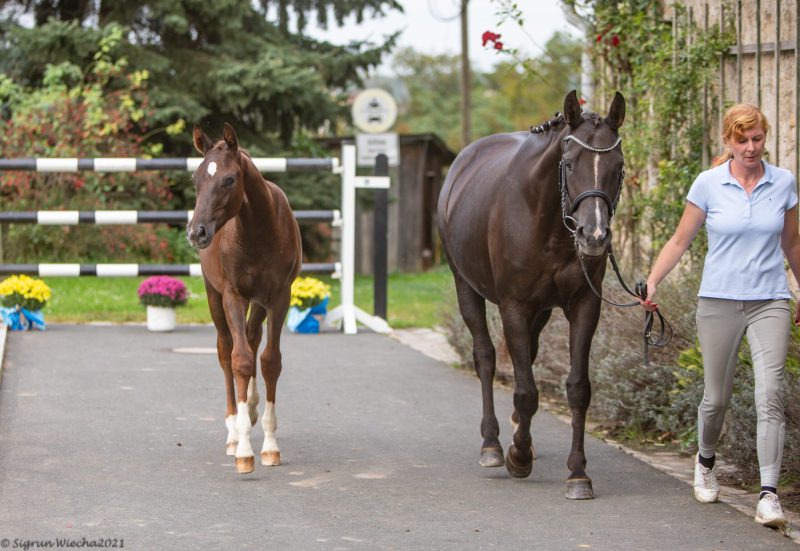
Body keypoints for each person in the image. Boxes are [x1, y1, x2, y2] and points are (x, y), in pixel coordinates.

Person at [641, 103, 800, 530]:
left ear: (765, 138)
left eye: (757, 139)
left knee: (771, 395)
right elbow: (679, 240)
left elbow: (793, 244)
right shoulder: (708, 184)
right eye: (742, 140)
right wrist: (653, 280)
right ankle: (706, 459)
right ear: (728, 141)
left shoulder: (783, 182)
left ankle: (769, 495)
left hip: (770, 300)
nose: (751, 148)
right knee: (717, 398)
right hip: (718, 301)